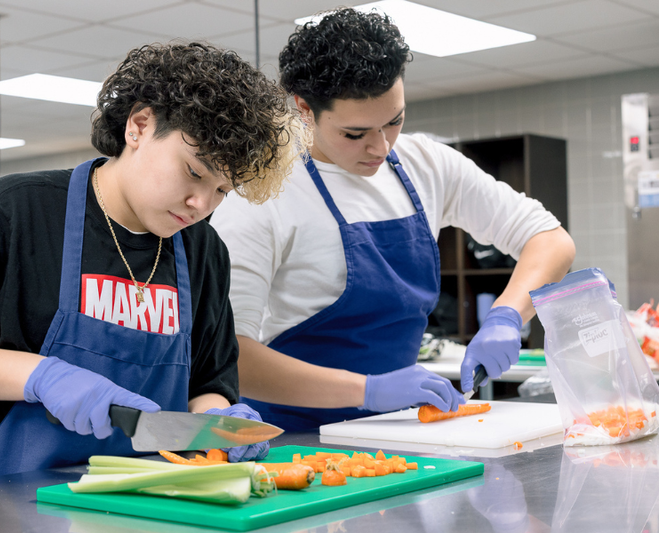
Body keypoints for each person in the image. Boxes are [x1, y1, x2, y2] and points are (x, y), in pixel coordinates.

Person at [0, 42, 306, 484]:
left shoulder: (203, 250)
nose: (201, 204)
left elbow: (208, 382)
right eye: (194, 172)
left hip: (148, 500)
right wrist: (41, 376)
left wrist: (220, 424)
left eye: (222, 190)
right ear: (139, 126)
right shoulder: (15, 211)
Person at [210, 8, 576, 431]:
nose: (381, 147)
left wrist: (508, 315)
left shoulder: (428, 165)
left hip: (403, 432)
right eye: (355, 133)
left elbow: (550, 240)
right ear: (303, 108)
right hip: (297, 440)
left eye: (395, 120)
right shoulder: (261, 193)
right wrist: (367, 390)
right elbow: (231, 355)